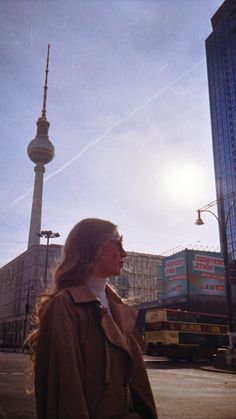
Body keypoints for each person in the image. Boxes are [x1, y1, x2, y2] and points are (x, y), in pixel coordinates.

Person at [28, 218, 158, 419]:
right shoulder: (64, 307)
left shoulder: (118, 308)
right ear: (95, 248)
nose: (124, 253)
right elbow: (68, 399)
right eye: (118, 242)